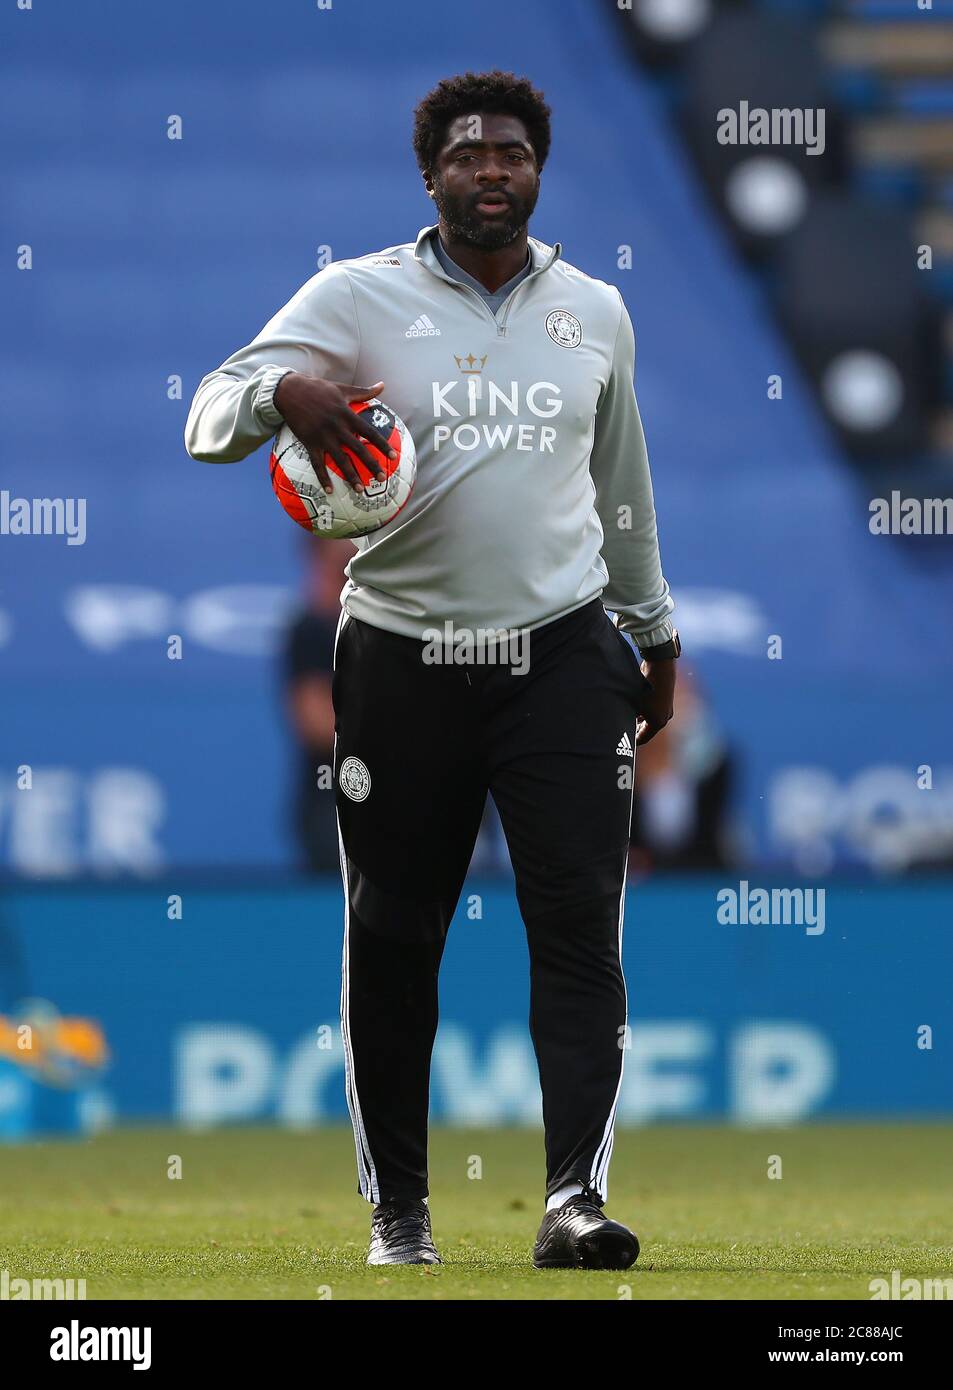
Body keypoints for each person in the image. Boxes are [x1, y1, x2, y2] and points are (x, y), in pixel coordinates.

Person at [185, 70, 678, 1272]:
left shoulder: (595, 312)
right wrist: (283, 388)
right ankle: (399, 1213)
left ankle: (573, 1199)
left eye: (510, 152)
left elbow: (620, 490)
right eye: (466, 156)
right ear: (431, 176)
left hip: (559, 654)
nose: (490, 171)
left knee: (577, 927)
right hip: (402, 656)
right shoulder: (356, 296)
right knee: (395, 934)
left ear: (536, 168)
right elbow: (208, 416)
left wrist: (651, 631)